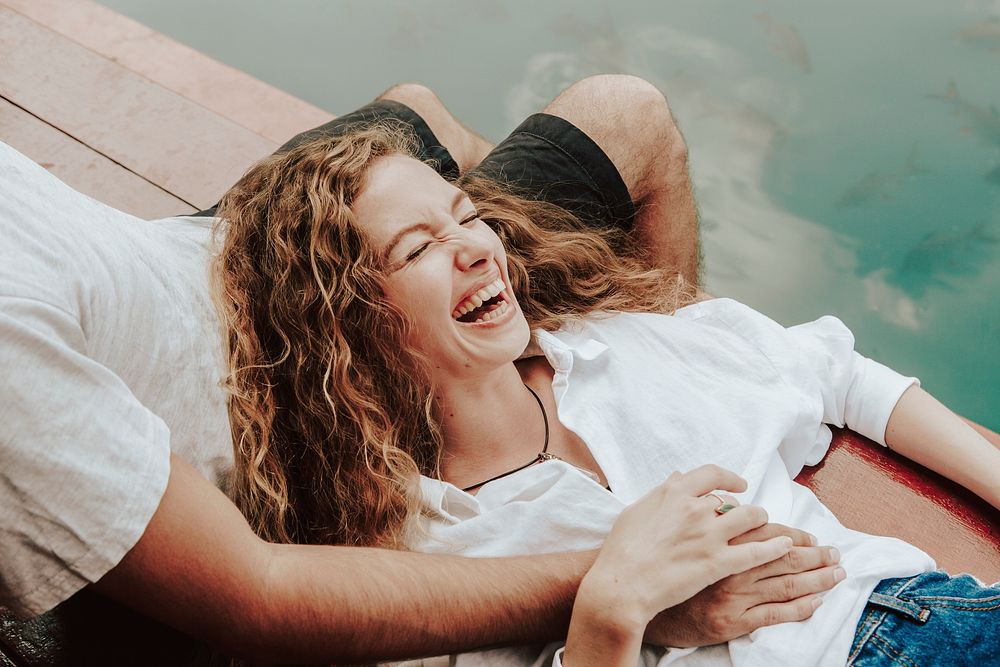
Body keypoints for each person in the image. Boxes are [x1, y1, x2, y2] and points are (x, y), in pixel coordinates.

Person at [0, 76, 842, 664]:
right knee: (623, 119)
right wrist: (642, 572)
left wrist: (450, 223)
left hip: (212, 245)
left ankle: (646, 364)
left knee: (412, 111)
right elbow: (255, 597)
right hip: (313, 340)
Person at [213, 115, 1000, 663]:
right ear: (345, 325)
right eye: (419, 247)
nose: (475, 250)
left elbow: (839, 374)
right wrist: (615, 611)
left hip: (924, 620)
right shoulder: (433, 555)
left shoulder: (616, 346)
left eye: (467, 217)